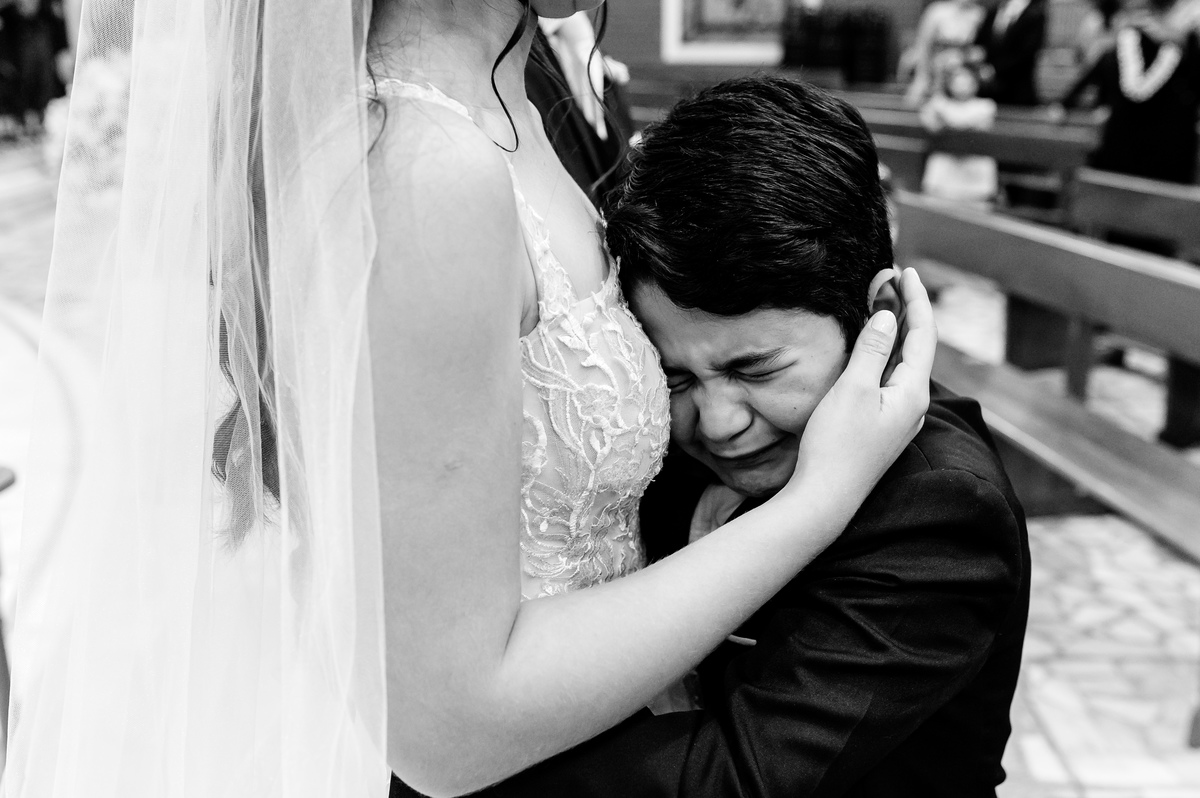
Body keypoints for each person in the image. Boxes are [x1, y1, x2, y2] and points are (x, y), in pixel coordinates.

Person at [4, 1, 937, 797]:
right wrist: (818, 500)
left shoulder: (507, 108)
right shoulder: (425, 165)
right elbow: (449, 727)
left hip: (619, 742)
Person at [472, 74, 1030, 798]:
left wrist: (458, 757)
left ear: (880, 313)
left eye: (755, 368)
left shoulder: (940, 512)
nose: (719, 421)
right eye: (675, 376)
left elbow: (735, 780)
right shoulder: (668, 450)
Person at [1058, 0, 1200, 448]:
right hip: (1161, 171)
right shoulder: (1182, 46)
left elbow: (1090, 86)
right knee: (1150, 260)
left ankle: (1127, 336)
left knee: (1132, 256)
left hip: (1131, 169)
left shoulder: (1136, 41)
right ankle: (1134, 339)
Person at [920, 53, 999, 204]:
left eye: (967, 81)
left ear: (975, 83)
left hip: (973, 169)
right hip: (946, 168)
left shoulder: (985, 106)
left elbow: (964, 123)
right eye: (957, 80)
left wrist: (946, 118)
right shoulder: (939, 103)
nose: (962, 85)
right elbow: (929, 122)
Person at [904, 0, 987, 106]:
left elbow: (980, 48)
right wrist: (921, 77)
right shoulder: (937, 11)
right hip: (935, 70)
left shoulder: (979, 13)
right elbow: (923, 46)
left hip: (964, 73)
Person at [975, 0, 1048, 106]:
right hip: (989, 87)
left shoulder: (1035, 14)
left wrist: (994, 69)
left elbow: (1025, 53)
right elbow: (983, 42)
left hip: (1017, 89)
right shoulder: (994, 10)